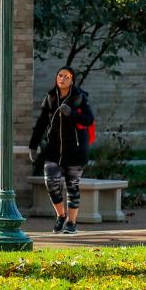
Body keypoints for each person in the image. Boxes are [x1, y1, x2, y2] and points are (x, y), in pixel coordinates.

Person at [29, 66, 95, 234]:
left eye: (66, 77)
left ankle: (71, 223)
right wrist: (33, 145)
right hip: (53, 149)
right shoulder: (50, 97)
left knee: (72, 186)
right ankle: (61, 215)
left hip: (76, 149)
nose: (62, 79)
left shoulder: (80, 97)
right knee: (51, 183)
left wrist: (71, 113)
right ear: (56, 78)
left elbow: (88, 120)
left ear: (72, 80)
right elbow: (41, 123)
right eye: (60, 75)